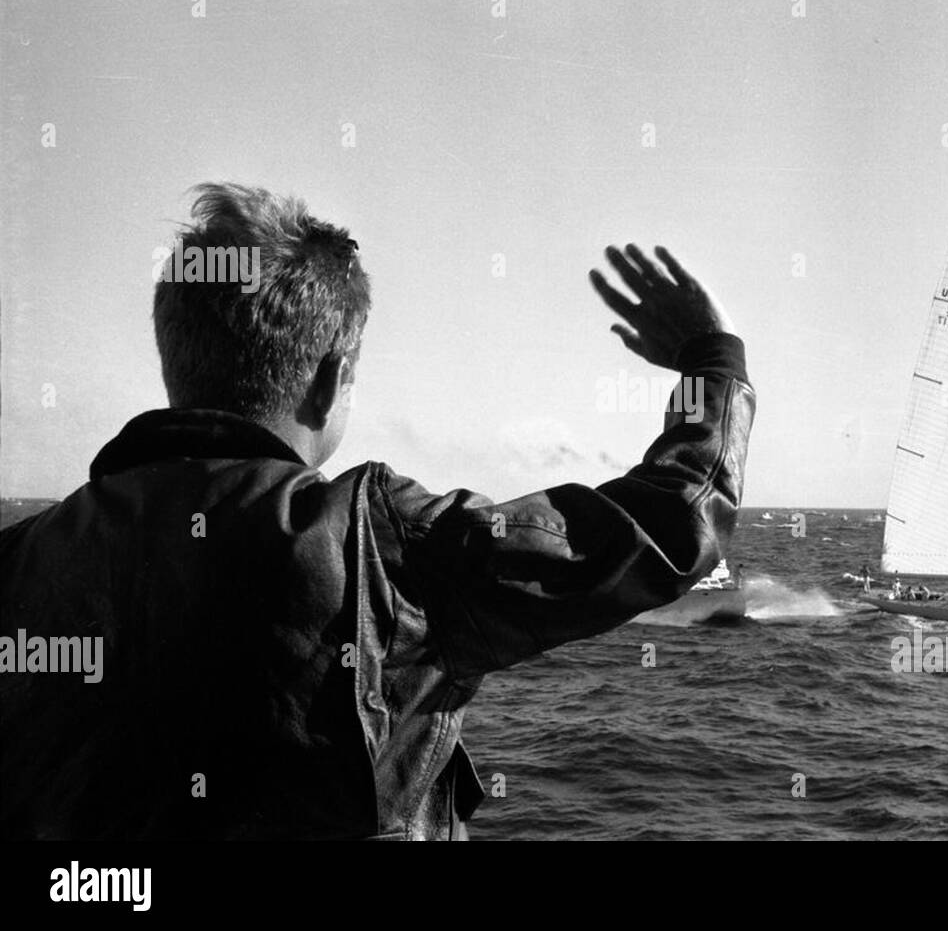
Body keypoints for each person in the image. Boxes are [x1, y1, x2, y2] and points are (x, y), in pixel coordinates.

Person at [0, 184, 755, 840]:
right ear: (331, 382)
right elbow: (669, 525)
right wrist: (713, 361)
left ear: (173, 358)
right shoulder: (382, 540)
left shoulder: (18, 561)